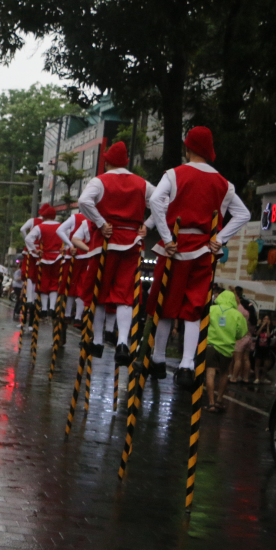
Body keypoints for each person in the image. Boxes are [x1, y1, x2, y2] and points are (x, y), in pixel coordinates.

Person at [145, 127, 251, 390]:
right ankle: (187, 365)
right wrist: (220, 239)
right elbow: (244, 214)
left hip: (176, 247)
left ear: (188, 148)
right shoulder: (224, 184)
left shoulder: (174, 174)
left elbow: (157, 200)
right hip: (204, 249)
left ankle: (157, 358)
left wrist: (167, 237)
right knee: (194, 309)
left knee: (164, 302)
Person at [76, 141, 154, 364]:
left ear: (107, 161)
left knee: (98, 293)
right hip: (132, 243)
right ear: (126, 162)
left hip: (106, 243)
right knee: (125, 296)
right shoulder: (142, 184)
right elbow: (162, 202)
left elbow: (83, 201)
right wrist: (147, 225)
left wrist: (100, 223)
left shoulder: (100, 180)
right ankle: (122, 342)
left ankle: (98, 341)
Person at [205, 290, 248, 413]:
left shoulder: (212, 309)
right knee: (224, 374)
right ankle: (219, 400)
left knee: (210, 373)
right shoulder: (237, 315)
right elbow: (242, 333)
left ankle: (211, 403)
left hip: (211, 345)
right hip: (227, 348)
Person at [23, 204, 62, 317]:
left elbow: (28, 239)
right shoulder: (61, 226)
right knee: (55, 282)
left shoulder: (40, 227)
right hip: (58, 257)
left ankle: (44, 308)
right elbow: (68, 238)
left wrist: (35, 250)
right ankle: (52, 307)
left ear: (44, 216)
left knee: (44, 282)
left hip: (44, 257)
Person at [253, 313, 275, 384]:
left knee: (266, 364)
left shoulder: (271, 328)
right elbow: (257, 334)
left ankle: (263, 378)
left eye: (268, 319)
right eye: (265, 319)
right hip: (259, 347)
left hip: (266, 348)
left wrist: (268, 326)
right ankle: (257, 378)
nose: (266, 320)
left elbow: (269, 336)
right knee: (257, 363)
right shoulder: (258, 327)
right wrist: (262, 326)